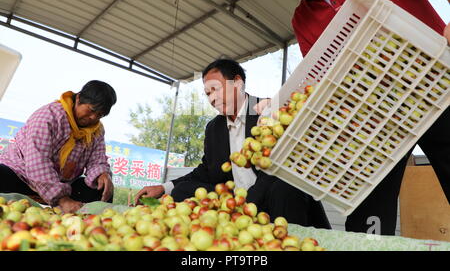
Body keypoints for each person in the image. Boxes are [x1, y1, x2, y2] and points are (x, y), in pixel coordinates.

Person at [245, 0, 450, 235]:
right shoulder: (303, 20)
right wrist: (284, 110)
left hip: (438, 87)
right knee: (367, 224)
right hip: (376, 126)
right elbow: (324, 84)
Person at [135, 59, 331, 229]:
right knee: (183, 190)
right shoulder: (214, 128)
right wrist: (164, 187)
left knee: (284, 186)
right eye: (207, 93)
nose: (212, 98)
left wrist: (248, 202)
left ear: (238, 83)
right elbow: (206, 171)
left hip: (271, 200)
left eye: (216, 89)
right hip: (234, 201)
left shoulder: (269, 110)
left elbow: (282, 165)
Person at [0, 80, 117, 213]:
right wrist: (63, 200)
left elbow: (97, 160)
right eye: (91, 110)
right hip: (21, 175)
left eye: (100, 115)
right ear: (78, 98)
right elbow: (37, 162)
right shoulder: (48, 116)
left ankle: (93, 226)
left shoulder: (97, 130)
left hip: (63, 184)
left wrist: (101, 174)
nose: (93, 117)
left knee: (102, 187)